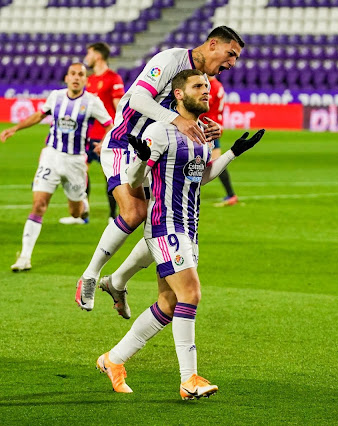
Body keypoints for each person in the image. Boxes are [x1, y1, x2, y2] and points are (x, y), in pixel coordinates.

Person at [95, 69, 264, 399]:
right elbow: (132, 181)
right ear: (178, 94)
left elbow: (201, 177)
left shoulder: (201, 132)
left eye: (207, 86)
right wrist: (142, 161)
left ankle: (113, 360)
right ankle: (190, 379)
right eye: (198, 86)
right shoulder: (160, 131)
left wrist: (232, 152)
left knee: (169, 303)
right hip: (165, 227)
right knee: (191, 294)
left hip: (189, 228)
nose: (206, 91)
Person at [75, 26, 245, 312]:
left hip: (156, 151)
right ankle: (90, 275)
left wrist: (205, 127)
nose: (231, 63)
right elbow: (138, 100)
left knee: (162, 223)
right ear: (213, 45)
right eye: (230, 54)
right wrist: (176, 121)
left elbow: (183, 114)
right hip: (124, 143)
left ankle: (116, 282)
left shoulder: (201, 79)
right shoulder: (169, 60)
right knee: (135, 212)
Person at [0, 63, 112, 271]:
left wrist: (104, 142)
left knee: (76, 212)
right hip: (51, 156)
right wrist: (15, 128)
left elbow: (110, 125)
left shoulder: (92, 102)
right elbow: (39, 115)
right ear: (67, 78)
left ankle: (83, 206)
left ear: (86, 79)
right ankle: (25, 257)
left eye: (81, 74)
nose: (76, 77)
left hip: (76, 161)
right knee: (39, 205)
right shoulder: (56, 97)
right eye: (73, 74)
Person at [59, 42, 125, 225]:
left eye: (89, 53)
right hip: (86, 136)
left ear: (98, 56)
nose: (86, 57)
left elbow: (119, 109)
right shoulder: (89, 79)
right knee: (80, 174)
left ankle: (114, 216)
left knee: (110, 176)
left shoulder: (114, 78)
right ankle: (82, 216)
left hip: (107, 137)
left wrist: (115, 134)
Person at [202, 75, 238, 207]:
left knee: (215, 164)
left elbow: (209, 108)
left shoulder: (214, 86)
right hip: (207, 127)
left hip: (207, 128)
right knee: (215, 163)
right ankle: (231, 194)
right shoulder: (213, 85)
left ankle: (231, 195)